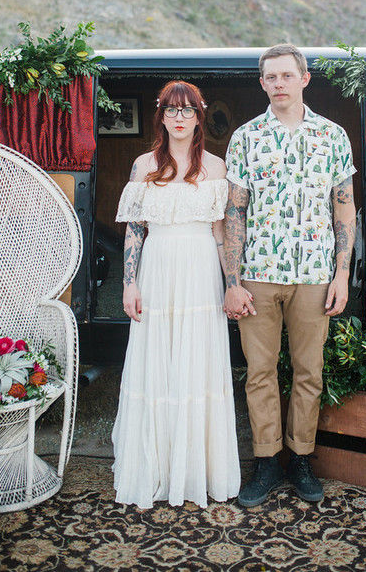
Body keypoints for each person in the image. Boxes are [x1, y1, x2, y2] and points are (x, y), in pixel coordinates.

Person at [224, 44, 357, 507]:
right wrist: (232, 281)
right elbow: (234, 213)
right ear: (261, 83)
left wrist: (341, 275)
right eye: (270, 77)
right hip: (258, 274)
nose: (278, 83)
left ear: (304, 78)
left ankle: (300, 458)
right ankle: (265, 461)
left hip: (315, 274)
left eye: (286, 75)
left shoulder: (333, 136)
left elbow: (344, 207)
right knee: (259, 372)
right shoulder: (245, 138)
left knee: (309, 371)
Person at [112, 81, 240, 508]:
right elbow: (134, 229)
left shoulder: (217, 168)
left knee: (197, 363)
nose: (180, 117)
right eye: (172, 110)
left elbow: (221, 233)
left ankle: (196, 469)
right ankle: (157, 468)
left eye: (188, 110)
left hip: (201, 270)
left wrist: (232, 283)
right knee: (157, 362)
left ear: (199, 116)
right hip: (158, 267)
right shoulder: (143, 165)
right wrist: (129, 282)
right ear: (162, 116)